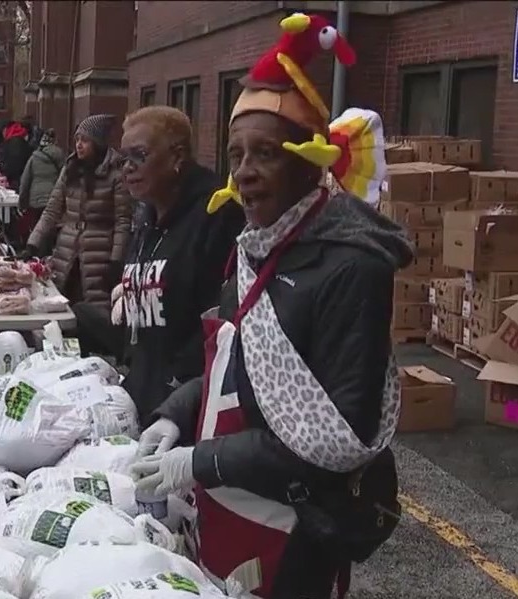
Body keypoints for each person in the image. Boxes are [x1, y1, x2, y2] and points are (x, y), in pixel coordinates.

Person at [131, 22, 407, 599]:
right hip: (228, 516)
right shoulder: (255, 245)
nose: (244, 171)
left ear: (311, 164)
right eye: (235, 154)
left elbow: (337, 438)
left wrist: (199, 463)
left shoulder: (352, 268)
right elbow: (235, 360)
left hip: (296, 531)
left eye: (265, 153)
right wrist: (176, 413)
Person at [107, 105, 245, 423]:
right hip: (142, 399)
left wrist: (177, 394)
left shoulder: (217, 215)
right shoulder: (147, 217)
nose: (127, 168)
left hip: (189, 411)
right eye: (122, 158)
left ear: (177, 157)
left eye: (139, 155)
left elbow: (220, 324)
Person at [22, 114, 130, 307]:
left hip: (99, 252)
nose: (79, 145)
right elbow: (51, 210)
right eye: (77, 140)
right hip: (67, 249)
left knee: (94, 309)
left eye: (85, 140)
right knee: (64, 303)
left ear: (97, 142)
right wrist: (33, 243)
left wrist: (116, 259)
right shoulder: (70, 169)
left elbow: (123, 220)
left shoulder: (115, 174)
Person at [16, 128, 65, 240]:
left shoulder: (34, 158)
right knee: (52, 231)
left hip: (36, 201)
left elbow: (25, 182)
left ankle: (38, 254)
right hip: (54, 199)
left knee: (38, 230)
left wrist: (22, 204)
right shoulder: (61, 156)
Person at [0, 118, 33, 190]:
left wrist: (1, 169)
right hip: (25, 178)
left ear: (5, 129)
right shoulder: (25, 142)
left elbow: (4, 162)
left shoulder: (7, 143)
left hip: (12, 179)